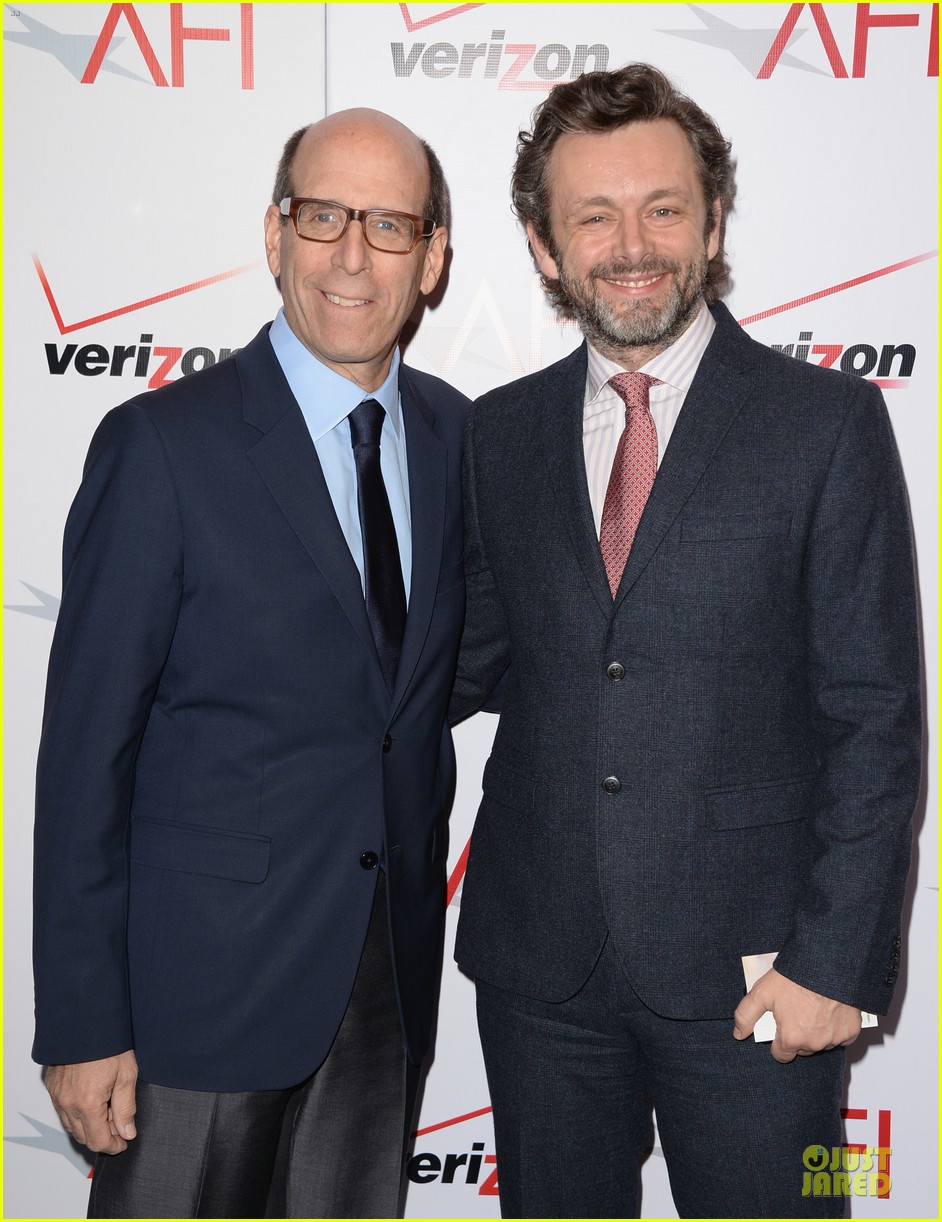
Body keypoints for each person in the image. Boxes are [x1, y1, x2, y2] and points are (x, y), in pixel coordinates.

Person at [450, 63, 920, 1219]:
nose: (633, 243)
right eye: (593, 216)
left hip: (764, 980)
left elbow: (877, 717)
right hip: (539, 974)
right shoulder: (496, 435)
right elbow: (467, 662)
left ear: (712, 223)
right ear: (544, 246)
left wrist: (836, 963)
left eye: (663, 207)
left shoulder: (828, 423)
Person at [32, 108, 469, 1219]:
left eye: (388, 224)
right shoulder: (163, 446)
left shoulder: (465, 442)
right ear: (274, 234)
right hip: (194, 1009)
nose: (352, 255)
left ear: (435, 256)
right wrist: (85, 1021)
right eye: (322, 216)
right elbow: (86, 756)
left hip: (382, 998)